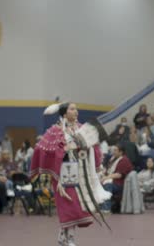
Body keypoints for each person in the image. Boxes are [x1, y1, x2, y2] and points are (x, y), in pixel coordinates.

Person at [30, 102, 111, 246]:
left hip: (81, 173)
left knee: (77, 207)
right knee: (69, 206)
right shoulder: (55, 130)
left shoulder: (82, 129)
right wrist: (63, 150)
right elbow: (41, 149)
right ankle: (69, 239)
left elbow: (95, 147)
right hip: (64, 174)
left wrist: (96, 164)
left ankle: (64, 237)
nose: (76, 112)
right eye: (72, 109)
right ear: (64, 113)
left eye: (76, 109)